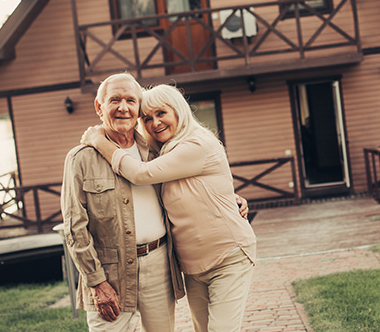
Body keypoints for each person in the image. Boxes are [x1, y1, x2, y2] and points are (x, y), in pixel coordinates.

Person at [81, 84, 257, 332]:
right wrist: (228, 196)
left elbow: (141, 174)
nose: (155, 123)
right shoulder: (163, 151)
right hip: (193, 265)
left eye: (161, 113)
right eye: (147, 118)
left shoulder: (197, 144)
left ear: (178, 111)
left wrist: (99, 141)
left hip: (227, 256)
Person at [61, 73, 186, 332]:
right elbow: (75, 228)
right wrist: (97, 282)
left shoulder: (157, 151)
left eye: (131, 100)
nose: (123, 107)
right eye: (114, 100)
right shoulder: (80, 159)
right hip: (108, 271)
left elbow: (192, 187)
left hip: (158, 263)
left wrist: (231, 198)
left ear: (139, 108)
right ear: (99, 107)